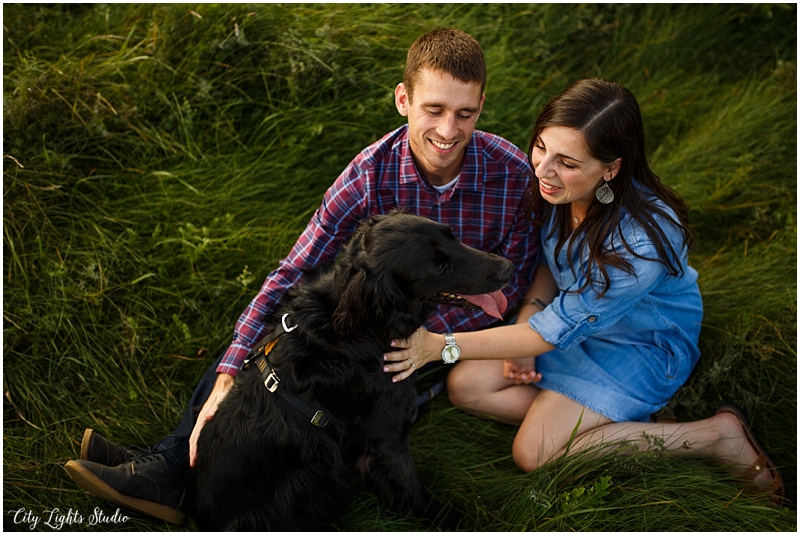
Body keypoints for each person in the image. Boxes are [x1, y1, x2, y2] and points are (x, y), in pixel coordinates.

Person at [64, 28, 539, 525]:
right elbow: (294, 271)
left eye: (465, 114)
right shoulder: (367, 176)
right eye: (434, 110)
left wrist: (431, 340)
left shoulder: (511, 173)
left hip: (455, 334)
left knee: (317, 390)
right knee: (281, 339)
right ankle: (173, 463)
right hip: (376, 316)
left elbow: (516, 275)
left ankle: (171, 474)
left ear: (482, 105)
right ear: (403, 99)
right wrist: (229, 371)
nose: (448, 130)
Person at [384, 78, 785, 504]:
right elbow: (551, 265)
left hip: (640, 347)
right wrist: (526, 318)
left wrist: (438, 346)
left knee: (533, 452)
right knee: (466, 387)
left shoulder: (642, 244)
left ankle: (713, 436)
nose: (541, 170)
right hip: (572, 328)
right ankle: (609, 419)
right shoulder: (559, 190)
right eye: (541, 147)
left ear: (611, 168)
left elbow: (550, 333)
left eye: (567, 162)